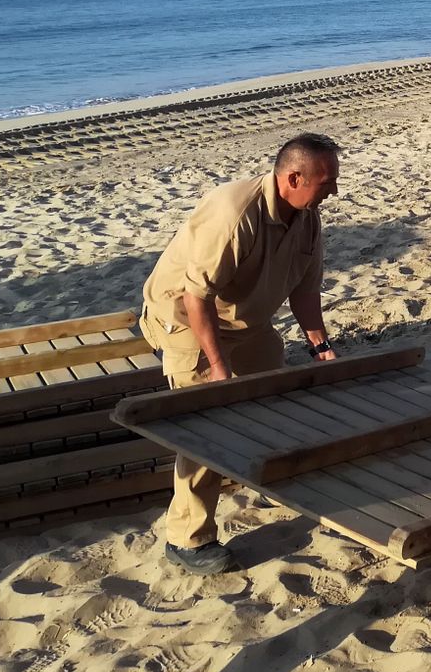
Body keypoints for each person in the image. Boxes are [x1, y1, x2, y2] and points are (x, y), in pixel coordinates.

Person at [140, 133, 342, 575]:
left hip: (245, 320)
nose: (334, 191)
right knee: (207, 425)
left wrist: (321, 347)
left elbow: (305, 292)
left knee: (273, 395)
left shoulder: (306, 217)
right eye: (326, 183)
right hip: (187, 319)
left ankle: (263, 477)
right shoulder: (233, 214)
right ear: (294, 177)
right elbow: (196, 298)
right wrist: (218, 369)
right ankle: (186, 539)